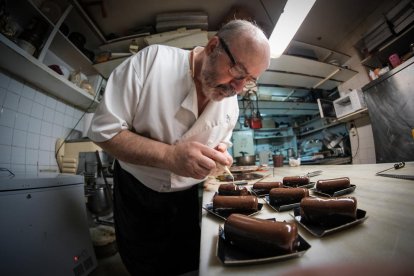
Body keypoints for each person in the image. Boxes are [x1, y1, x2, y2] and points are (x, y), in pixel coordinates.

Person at [87, 19, 270, 275]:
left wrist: (217, 158)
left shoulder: (232, 104)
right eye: (238, 71)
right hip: (137, 192)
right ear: (213, 46)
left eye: (249, 80)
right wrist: (169, 155)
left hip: (186, 198)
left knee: (187, 263)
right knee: (144, 266)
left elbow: (220, 144)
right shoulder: (152, 62)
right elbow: (103, 131)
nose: (238, 88)